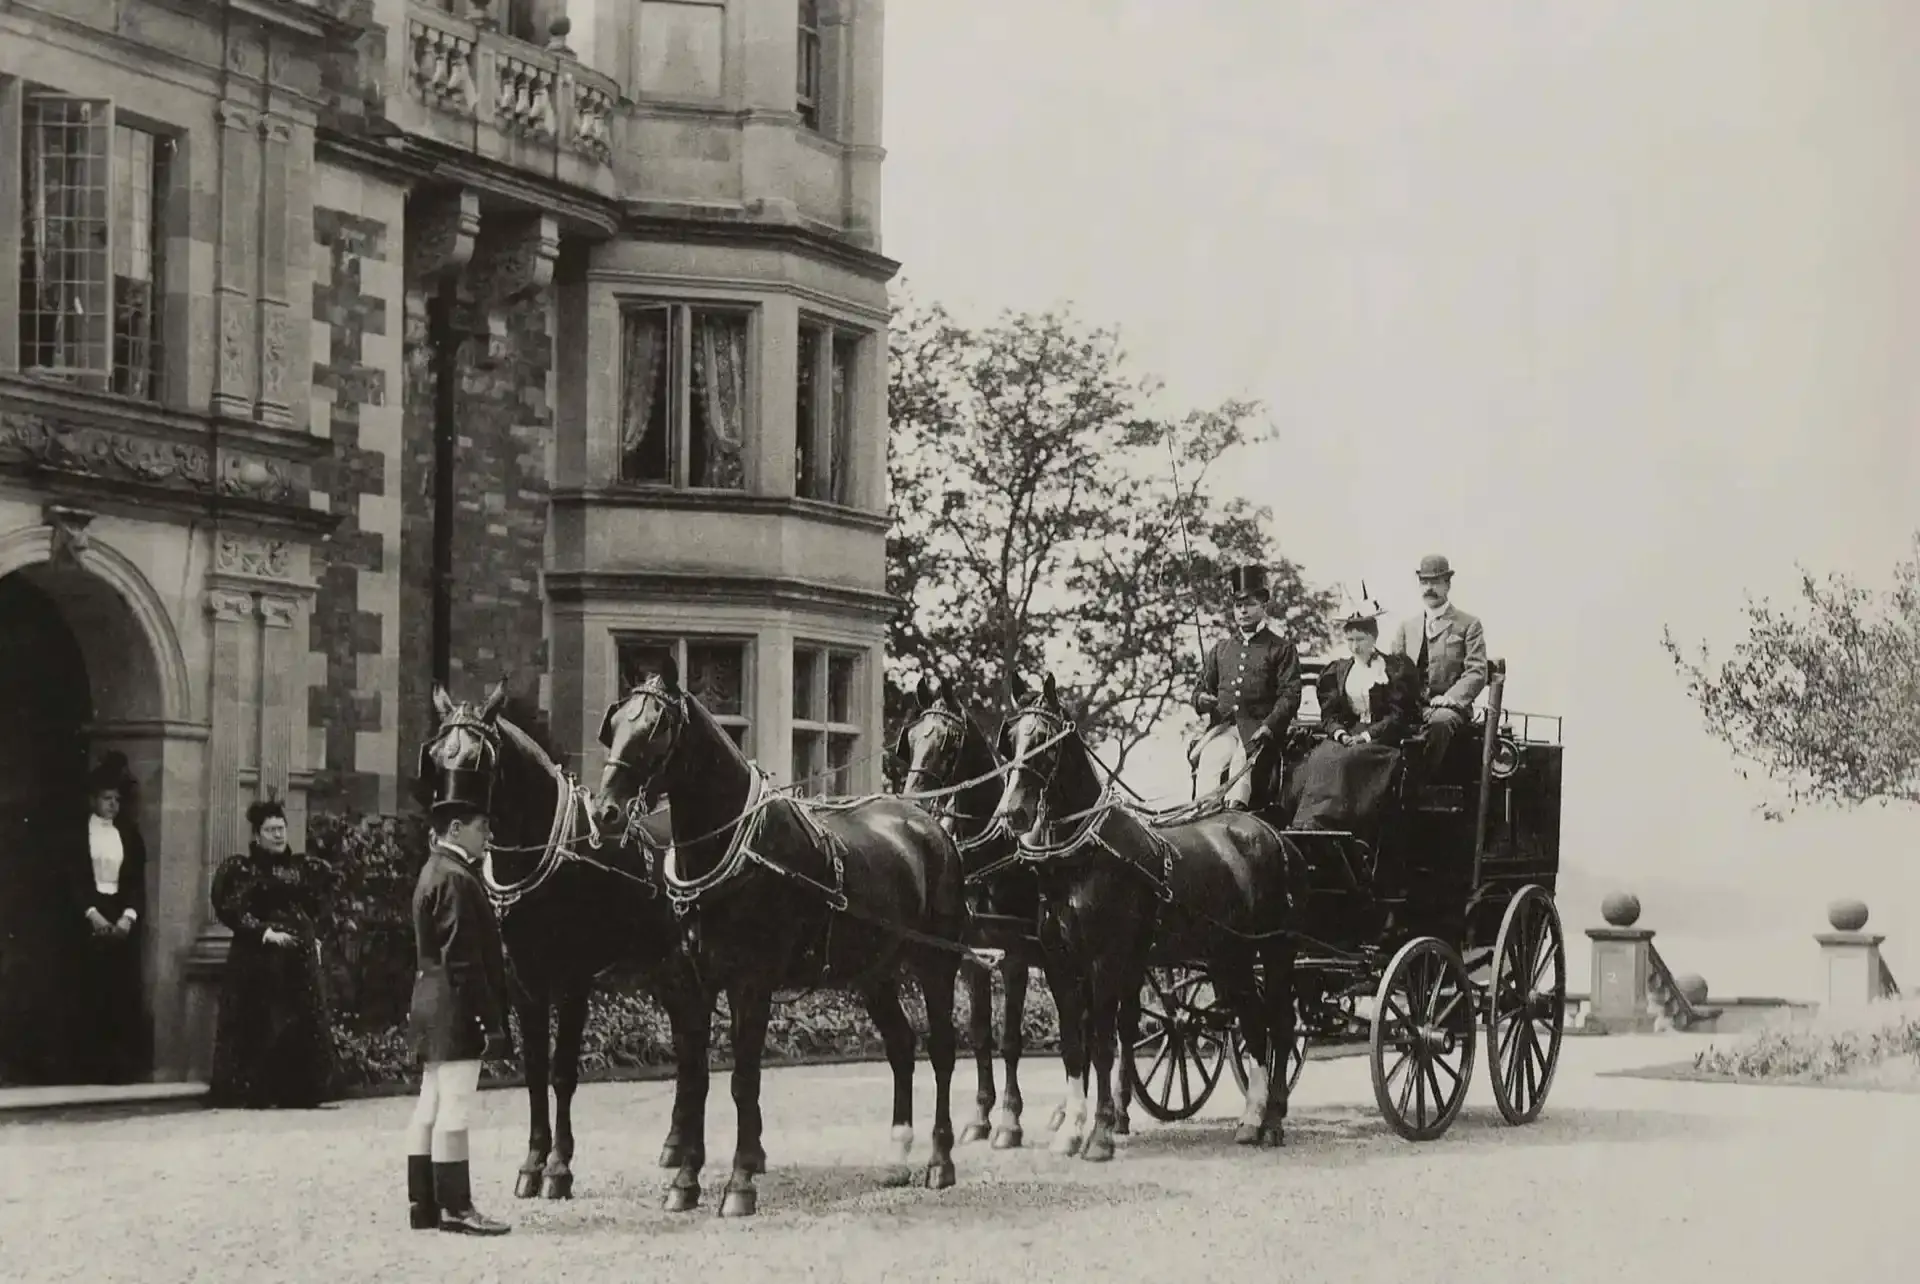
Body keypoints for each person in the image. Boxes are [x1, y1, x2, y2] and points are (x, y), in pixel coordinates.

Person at [404, 773, 514, 1235]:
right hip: (454, 1004)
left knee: (429, 1104)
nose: (487, 836)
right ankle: (456, 1207)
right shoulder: (456, 880)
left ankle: (424, 1205)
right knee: (454, 1107)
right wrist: (490, 1022)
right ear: (455, 831)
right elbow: (464, 960)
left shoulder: (434, 872)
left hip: (429, 1001)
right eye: (480, 827)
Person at [207, 800, 340, 1109]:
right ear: (257, 835)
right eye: (271, 830)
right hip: (258, 959)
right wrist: (264, 933)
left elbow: (315, 904)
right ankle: (256, 1091)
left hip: (297, 959)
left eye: (281, 829)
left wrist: (313, 935)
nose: (278, 835)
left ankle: (300, 1091)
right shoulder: (243, 869)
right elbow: (232, 909)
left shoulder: (301, 867)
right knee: (262, 1019)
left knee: (299, 1018)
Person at [1291, 592, 1423, 835]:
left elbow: (1398, 716)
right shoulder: (1339, 671)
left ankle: (1333, 821)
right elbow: (1330, 715)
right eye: (1350, 639)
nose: (1355, 646)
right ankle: (1306, 824)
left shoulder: (1395, 669)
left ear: (1374, 636)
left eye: (1360, 639)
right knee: (1320, 758)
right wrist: (1340, 734)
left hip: (1383, 739)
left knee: (1347, 760)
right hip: (1349, 734)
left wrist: (1365, 737)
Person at [1190, 565, 1301, 809]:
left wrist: (1269, 726)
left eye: (1249, 604)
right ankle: (1201, 812)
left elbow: (1290, 696)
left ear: (1263, 605)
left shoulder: (1281, 649)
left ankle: (1235, 811)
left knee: (1242, 760)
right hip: (1225, 728)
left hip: (1260, 731)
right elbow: (1199, 690)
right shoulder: (1221, 649)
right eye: (1238, 605)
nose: (1242, 610)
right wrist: (1202, 700)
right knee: (1211, 757)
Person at [73, 754, 149, 1084]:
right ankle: (87, 1066)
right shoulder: (79, 835)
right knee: (89, 990)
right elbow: (73, 879)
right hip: (88, 916)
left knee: (121, 991)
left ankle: (120, 1068)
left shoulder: (128, 834)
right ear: (93, 799)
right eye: (107, 798)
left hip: (120, 915)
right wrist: (92, 915)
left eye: (117, 799)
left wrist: (127, 918)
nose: (112, 805)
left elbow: (135, 881)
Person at [1384, 554, 1488, 777]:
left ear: (1447, 584)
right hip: (1411, 707)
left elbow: (1476, 671)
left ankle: (1420, 782)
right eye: (1424, 582)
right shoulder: (1406, 627)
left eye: (1435, 582)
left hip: (1449, 709)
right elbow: (1394, 670)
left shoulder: (1468, 624)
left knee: (1442, 721)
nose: (1428, 588)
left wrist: (1450, 698)